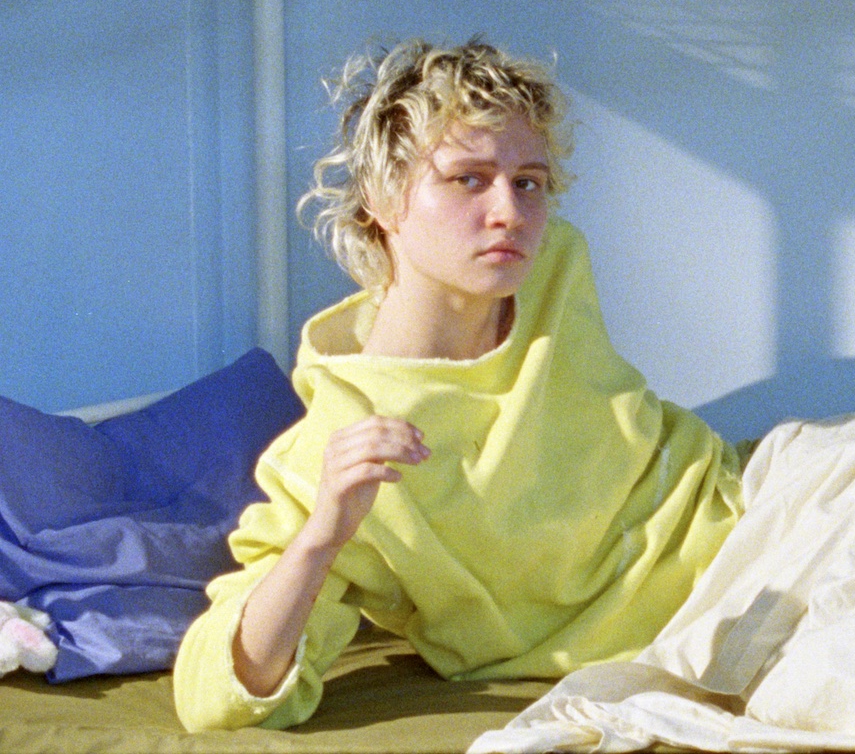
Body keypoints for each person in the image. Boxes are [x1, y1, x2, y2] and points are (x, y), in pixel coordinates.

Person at [173, 38, 745, 732]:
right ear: (383, 200)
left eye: (528, 181)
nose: (511, 212)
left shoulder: (552, 266)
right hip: (704, 616)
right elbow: (213, 696)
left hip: (753, 508)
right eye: (468, 179)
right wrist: (323, 537)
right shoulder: (345, 447)